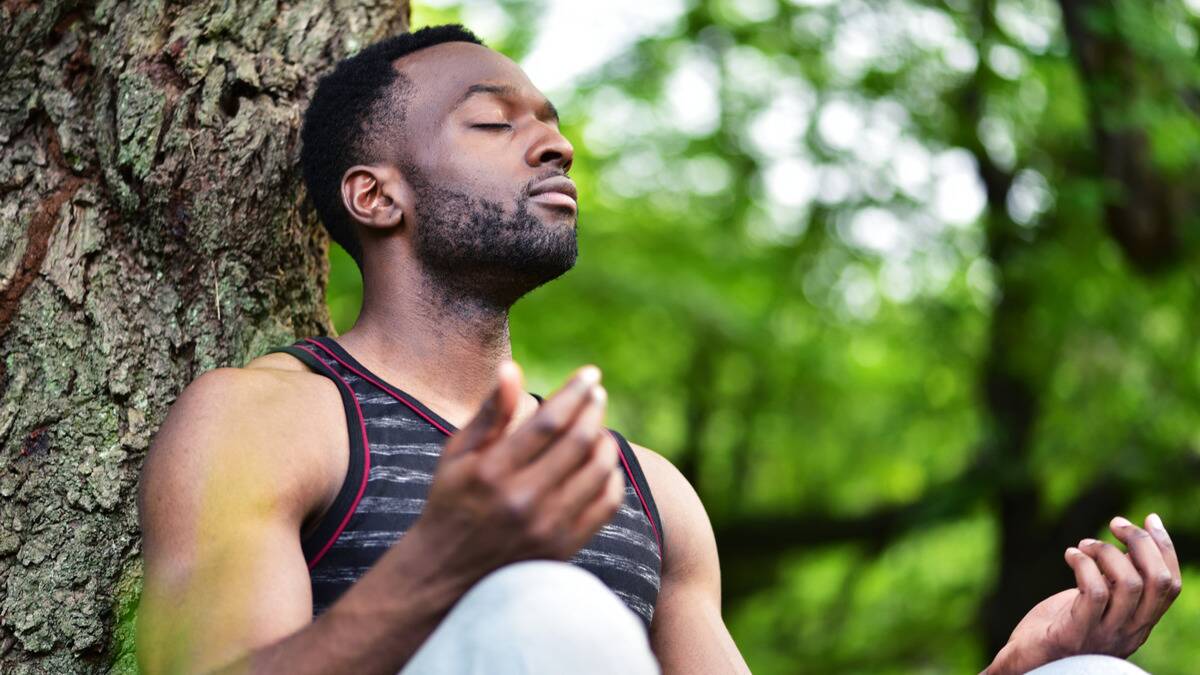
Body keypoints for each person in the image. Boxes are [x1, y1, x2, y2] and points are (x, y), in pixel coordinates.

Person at [136, 25, 1182, 675]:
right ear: (377, 195)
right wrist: (445, 565)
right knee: (542, 607)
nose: (556, 143)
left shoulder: (649, 490)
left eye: (550, 122)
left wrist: (1009, 669)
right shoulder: (269, 416)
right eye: (493, 124)